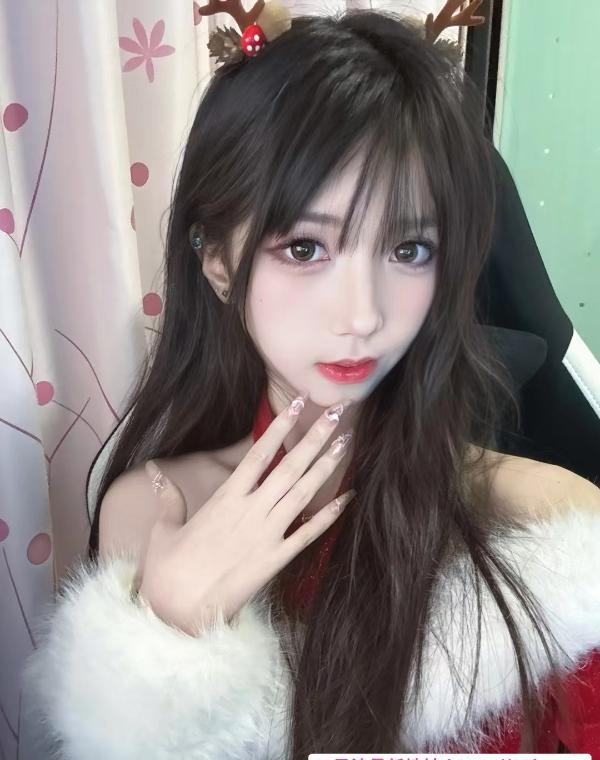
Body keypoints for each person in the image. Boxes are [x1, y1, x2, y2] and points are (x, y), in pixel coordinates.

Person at [21, 4, 600, 758]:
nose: (361, 315)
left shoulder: (552, 522)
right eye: (304, 248)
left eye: (409, 250)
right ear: (217, 261)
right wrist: (165, 655)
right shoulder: (160, 510)